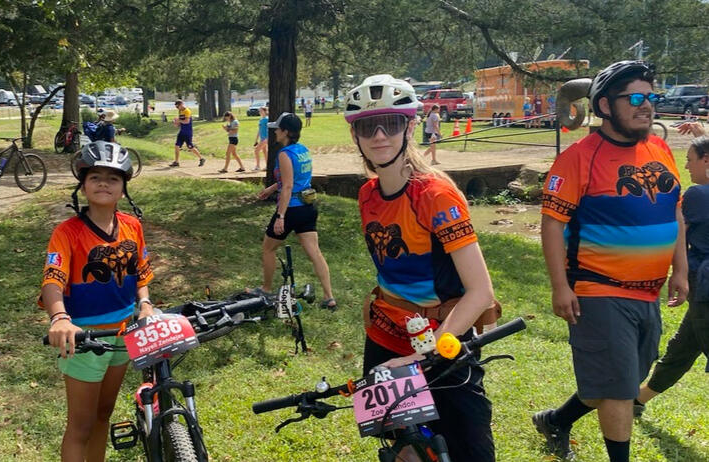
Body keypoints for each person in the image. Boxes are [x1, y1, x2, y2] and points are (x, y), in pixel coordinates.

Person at [534, 61, 688, 462]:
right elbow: (552, 226)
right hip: (597, 288)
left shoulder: (659, 148)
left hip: (647, 293)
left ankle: (556, 420)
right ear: (604, 105)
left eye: (651, 97)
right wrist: (559, 286)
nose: (647, 106)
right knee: (620, 388)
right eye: (635, 98)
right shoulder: (579, 158)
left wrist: (681, 269)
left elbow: (675, 212)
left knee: (623, 378)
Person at [344, 74, 501, 461]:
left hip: (441, 340)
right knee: (401, 443)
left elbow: (481, 292)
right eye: (367, 126)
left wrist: (422, 356)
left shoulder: (435, 194)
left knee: (471, 451)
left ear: (410, 126)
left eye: (391, 124)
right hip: (384, 335)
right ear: (356, 136)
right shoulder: (366, 194)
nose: (379, 136)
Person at [42, 141, 154, 462]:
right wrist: (60, 317)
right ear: (83, 184)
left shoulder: (132, 226)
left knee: (104, 414)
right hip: (85, 341)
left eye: (113, 178)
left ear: (123, 188)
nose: (103, 183)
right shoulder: (67, 232)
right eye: (95, 177)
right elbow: (53, 279)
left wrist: (144, 303)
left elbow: (141, 273)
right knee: (81, 425)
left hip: (123, 336)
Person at [635, 127, 709, 415]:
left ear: (705, 160)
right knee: (682, 348)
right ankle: (637, 400)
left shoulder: (698, 194)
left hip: (705, 288)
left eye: (690, 159)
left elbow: (675, 236)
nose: (686, 165)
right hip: (702, 292)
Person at [255, 112, 336, 309]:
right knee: (315, 252)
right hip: (308, 207)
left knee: (268, 248)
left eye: (278, 129)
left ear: (286, 132)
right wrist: (271, 188)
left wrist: (281, 216)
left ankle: (265, 289)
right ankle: (329, 298)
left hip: (292, 209)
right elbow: (295, 179)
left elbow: (289, 186)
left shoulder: (284, 154)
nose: (274, 132)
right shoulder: (302, 150)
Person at [169, 100, 205, 168]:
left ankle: (201, 158)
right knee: (177, 146)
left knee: (190, 147)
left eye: (178, 106)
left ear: (182, 104)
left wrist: (178, 120)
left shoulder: (187, 111)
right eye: (176, 107)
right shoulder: (180, 111)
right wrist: (175, 123)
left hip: (187, 132)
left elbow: (187, 121)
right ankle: (176, 162)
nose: (178, 108)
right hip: (182, 131)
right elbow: (180, 123)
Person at [253, 106, 269, 171]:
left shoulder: (267, 119)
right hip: (262, 138)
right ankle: (268, 166)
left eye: (261, 111)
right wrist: (256, 139)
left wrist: (266, 138)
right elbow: (259, 130)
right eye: (259, 111)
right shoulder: (261, 120)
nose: (259, 112)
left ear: (265, 111)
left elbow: (268, 129)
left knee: (256, 150)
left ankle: (258, 166)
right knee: (264, 152)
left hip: (266, 138)